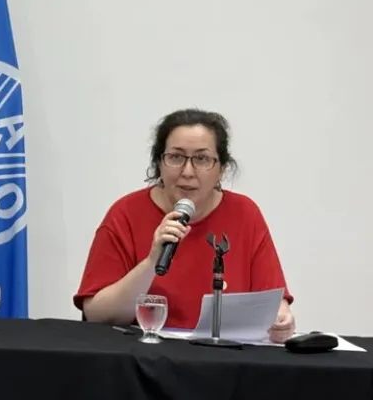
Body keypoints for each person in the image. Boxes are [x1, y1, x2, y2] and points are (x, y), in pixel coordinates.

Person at [74, 109, 295, 342]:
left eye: (202, 159)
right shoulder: (125, 213)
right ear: (159, 163)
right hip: (145, 363)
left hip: (226, 362)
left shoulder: (245, 214)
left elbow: (274, 303)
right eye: (176, 157)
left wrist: (282, 319)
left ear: (222, 169)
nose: (187, 172)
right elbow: (96, 314)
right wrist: (151, 262)